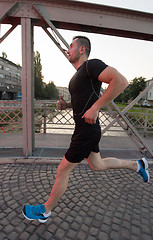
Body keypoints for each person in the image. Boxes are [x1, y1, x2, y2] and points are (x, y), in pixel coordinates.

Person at [22, 36, 149, 223]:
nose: (68, 49)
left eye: (71, 46)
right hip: (86, 128)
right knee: (97, 165)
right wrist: (66, 106)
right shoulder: (78, 75)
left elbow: (121, 81)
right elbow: (83, 102)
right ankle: (137, 165)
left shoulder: (91, 65)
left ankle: (45, 211)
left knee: (63, 170)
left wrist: (97, 107)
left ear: (82, 49)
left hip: (86, 131)